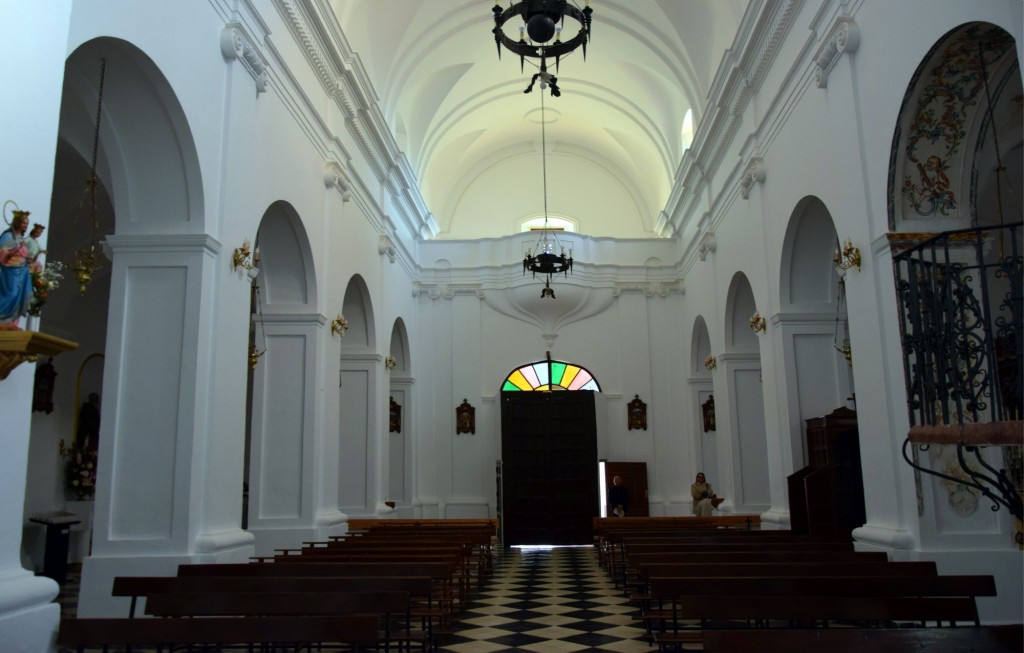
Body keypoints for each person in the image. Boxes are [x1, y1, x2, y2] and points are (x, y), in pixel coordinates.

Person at [0, 210, 33, 324]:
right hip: (10, 271)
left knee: (19, 297)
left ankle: (11, 322)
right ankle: (2, 319)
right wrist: (9, 254)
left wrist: (28, 260)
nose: (26, 225)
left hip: (22, 272)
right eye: (24, 223)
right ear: (17, 222)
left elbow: (23, 254)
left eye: (27, 223)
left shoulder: (21, 238)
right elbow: (2, 253)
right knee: (11, 294)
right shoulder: (8, 236)